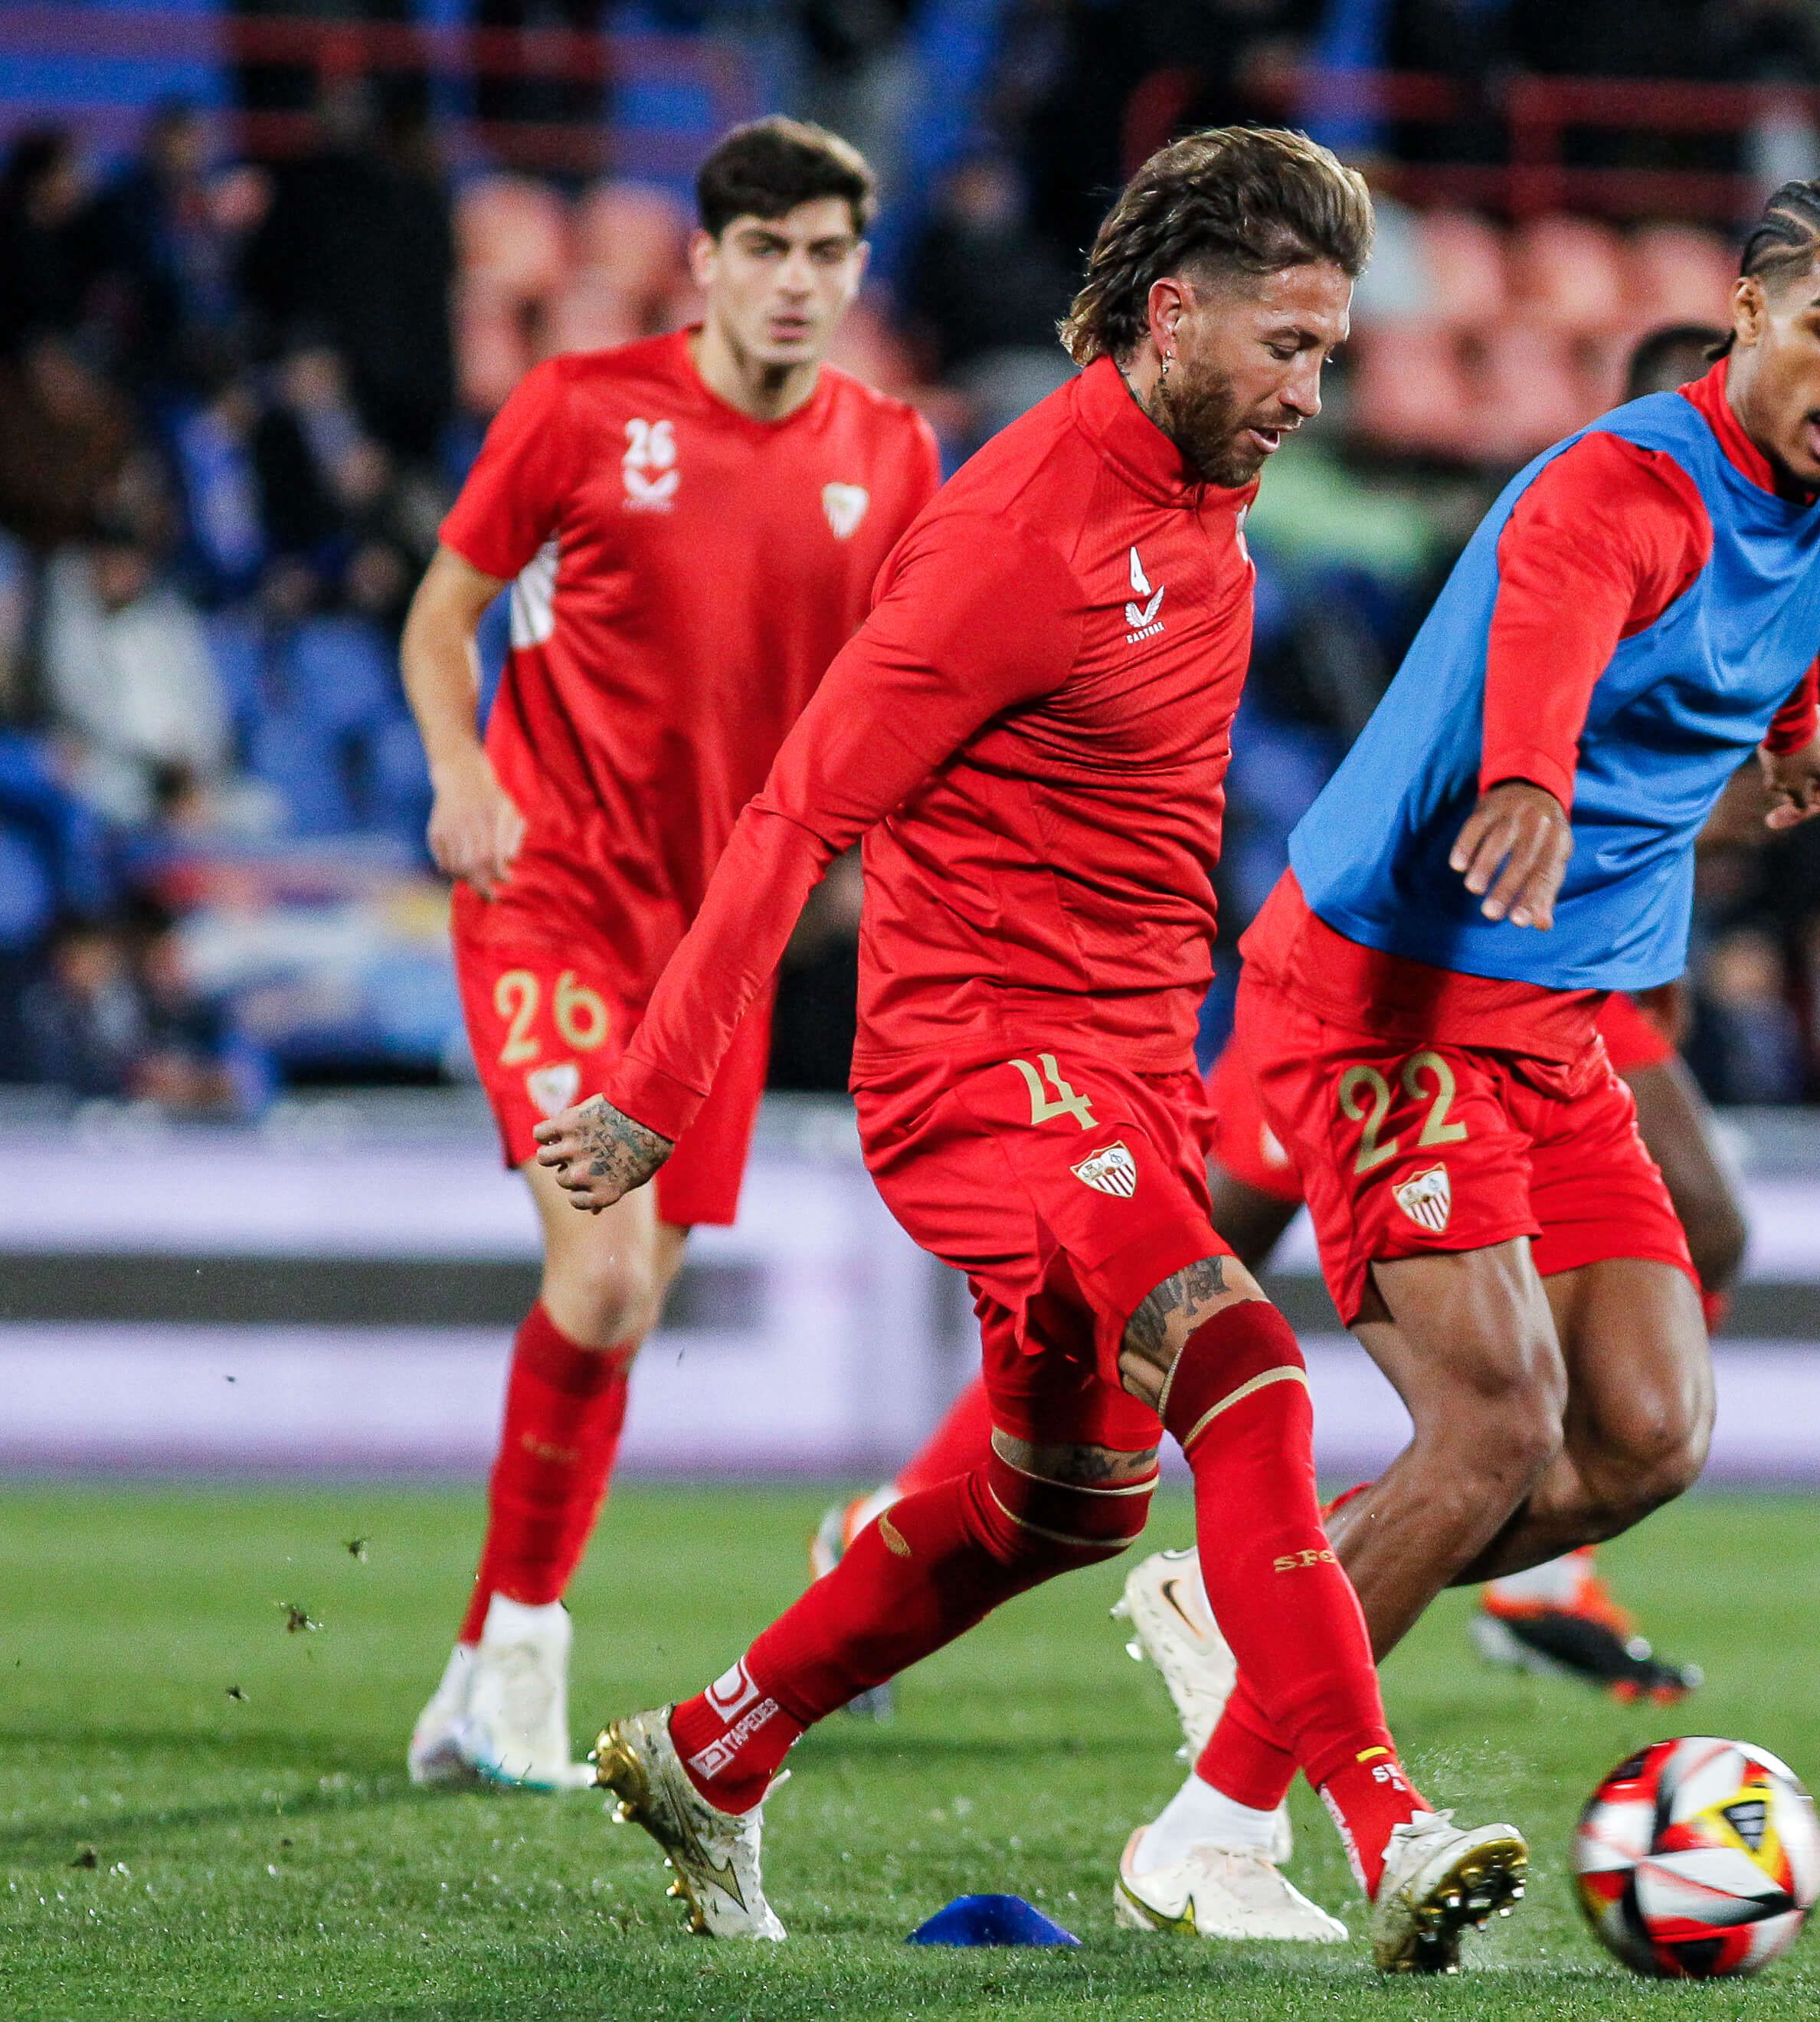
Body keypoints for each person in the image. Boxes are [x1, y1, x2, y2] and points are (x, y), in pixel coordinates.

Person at [527, 126, 1527, 1971]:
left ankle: (710, 1747)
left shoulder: (1200, 499)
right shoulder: (1011, 536)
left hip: (1126, 1070)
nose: (1312, 395)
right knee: (1250, 1375)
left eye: (1329, 351)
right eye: (1286, 348)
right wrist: (664, 1089)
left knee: (1059, 1501)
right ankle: (1387, 1826)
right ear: (1169, 318)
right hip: (983, 1069)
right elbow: (793, 811)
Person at [1112, 164, 1820, 1922]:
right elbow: (1548, 645)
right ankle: (1213, 1830)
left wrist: (1800, 736)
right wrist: (1524, 784)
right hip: (1388, 998)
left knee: (1642, 1436)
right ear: (1743, 314)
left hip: (1554, 1028)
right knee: (1490, 1424)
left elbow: (1762, 641)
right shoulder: (1615, 486)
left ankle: (1244, 1596)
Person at [810, 321, 1756, 1707]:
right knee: (1164, 1290)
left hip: (1560, 979)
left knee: (1677, 1245)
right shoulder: (1575, 535)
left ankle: (1525, 1548)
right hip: (1421, 965)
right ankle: (899, 1522)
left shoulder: (1754, 570)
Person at [398, 118, 940, 1795]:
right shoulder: (576, 411)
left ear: (857, 271)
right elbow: (440, 613)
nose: (794, 283)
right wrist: (460, 770)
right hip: (551, 895)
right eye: (763, 249)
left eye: (825, 254)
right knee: (613, 1272)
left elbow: (909, 690)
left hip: (722, 951)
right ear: (702, 259)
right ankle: (524, 1658)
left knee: (619, 1306)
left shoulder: (894, 455)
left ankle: (488, 1661)